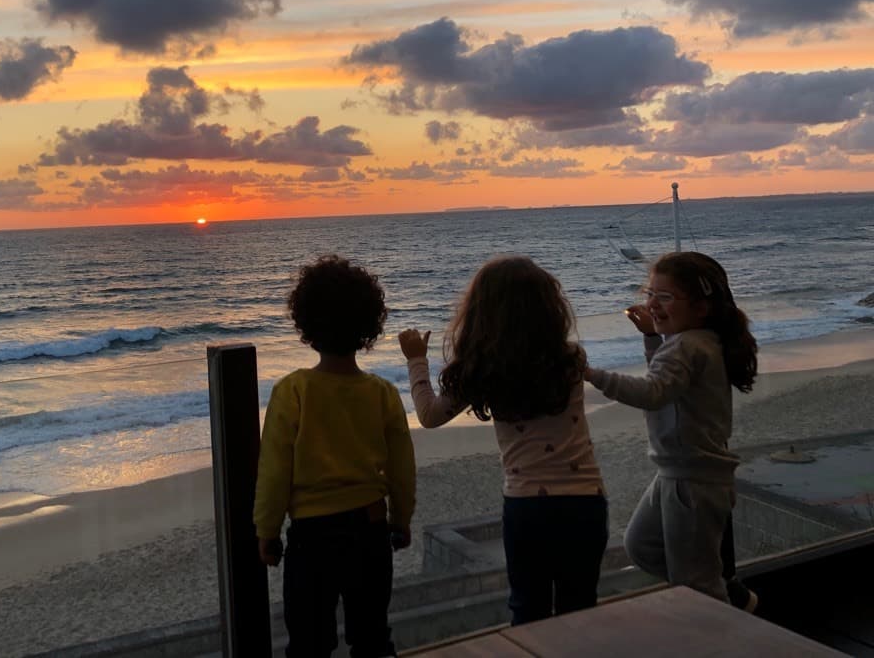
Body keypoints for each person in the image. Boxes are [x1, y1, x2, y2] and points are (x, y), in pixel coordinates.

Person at [399, 255, 608, 625]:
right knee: (580, 607)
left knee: (529, 609)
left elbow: (430, 416)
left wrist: (417, 360)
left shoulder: (484, 369)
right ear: (549, 307)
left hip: (528, 506)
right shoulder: (570, 358)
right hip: (585, 501)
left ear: (481, 315)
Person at [255, 254, 416, 658]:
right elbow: (401, 469)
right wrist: (401, 519)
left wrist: (267, 531)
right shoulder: (382, 393)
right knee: (372, 637)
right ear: (368, 327)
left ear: (305, 324)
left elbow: (274, 471)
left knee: (309, 644)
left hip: (312, 536)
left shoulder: (293, 391)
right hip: (371, 527)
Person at [586, 251, 758, 607]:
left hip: (691, 479)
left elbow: (652, 392)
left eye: (665, 297)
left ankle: (721, 626)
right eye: (650, 294)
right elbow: (667, 383)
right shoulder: (699, 342)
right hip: (680, 472)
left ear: (700, 307)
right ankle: (728, 598)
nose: (652, 304)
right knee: (642, 546)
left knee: (696, 585)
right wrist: (652, 338)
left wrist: (590, 374)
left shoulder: (686, 347)